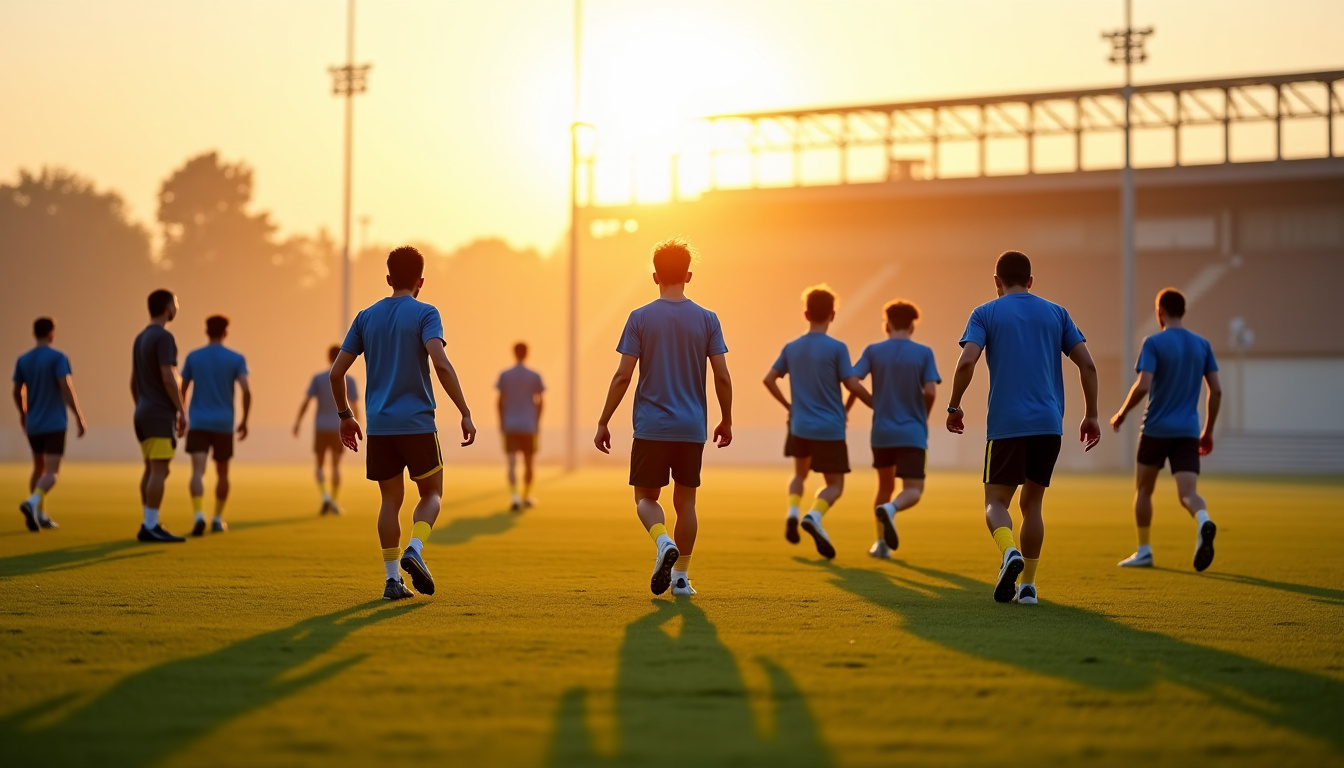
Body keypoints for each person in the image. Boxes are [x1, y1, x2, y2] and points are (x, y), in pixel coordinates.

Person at [946, 251, 1100, 605]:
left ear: (996, 282)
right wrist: (1091, 414)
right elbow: (1088, 366)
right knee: (1033, 504)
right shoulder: (1057, 313)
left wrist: (955, 406)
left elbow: (967, 360)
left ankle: (1008, 551)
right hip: (1049, 425)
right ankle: (1028, 586)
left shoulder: (985, 313)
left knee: (996, 501)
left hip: (1006, 424)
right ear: (1031, 281)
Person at [329, 246, 477, 601]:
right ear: (420, 281)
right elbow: (440, 363)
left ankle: (392, 580)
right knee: (432, 493)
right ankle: (415, 547)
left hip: (380, 426)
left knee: (390, 501)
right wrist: (464, 411)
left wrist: (346, 416)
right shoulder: (426, 313)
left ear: (388, 278)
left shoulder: (365, 317)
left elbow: (336, 374)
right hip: (417, 424)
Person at [595, 238, 733, 597]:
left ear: (655, 276)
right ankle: (682, 578)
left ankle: (661, 541)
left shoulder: (639, 318)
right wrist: (726, 419)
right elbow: (722, 375)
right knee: (685, 503)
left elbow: (623, 375)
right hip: (691, 428)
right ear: (688, 275)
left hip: (652, 426)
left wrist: (604, 420)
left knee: (646, 498)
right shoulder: (708, 319)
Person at [1110, 288, 1222, 571]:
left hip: (1156, 429)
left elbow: (1144, 385)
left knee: (1144, 491)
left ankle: (1144, 550)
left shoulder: (1153, 343)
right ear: (1183, 311)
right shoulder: (1202, 345)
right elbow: (1216, 391)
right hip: (1187, 431)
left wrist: (1122, 413)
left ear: (1160, 312)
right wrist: (1207, 431)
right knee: (1187, 493)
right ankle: (1203, 519)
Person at [763, 285, 872, 560]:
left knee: (800, 474)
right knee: (834, 485)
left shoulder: (791, 347)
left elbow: (769, 379)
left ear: (806, 313)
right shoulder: (837, 348)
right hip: (829, 428)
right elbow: (851, 384)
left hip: (799, 425)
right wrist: (876, 404)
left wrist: (789, 406)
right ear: (832, 315)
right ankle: (814, 515)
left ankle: (792, 512)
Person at [847, 299, 940, 558]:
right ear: (912, 326)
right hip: (912, 431)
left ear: (886, 325)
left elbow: (852, 381)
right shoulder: (923, 353)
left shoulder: (874, 351)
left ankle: (881, 545)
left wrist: (873, 403)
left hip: (882, 433)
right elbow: (930, 391)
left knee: (884, 487)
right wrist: (923, 415)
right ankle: (892, 509)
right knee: (912, 490)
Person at [13, 317, 87, 531]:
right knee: (52, 472)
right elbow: (66, 387)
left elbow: (17, 390)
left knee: (38, 467)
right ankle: (32, 503)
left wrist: (23, 412)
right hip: (54, 423)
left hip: (34, 423)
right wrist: (78, 416)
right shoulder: (58, 357)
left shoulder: (23, 360)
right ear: (51, 333)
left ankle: (39, 514)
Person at [181, 315, 251, 536]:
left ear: (206, 331)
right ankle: (218, 518)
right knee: (222, 473)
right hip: (223, 423)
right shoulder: (235, 358)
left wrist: (181, 414)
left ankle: (198, 514)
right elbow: (246, 390)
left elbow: (182, 389)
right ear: (225, 332)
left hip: (199, 421)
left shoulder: (193, 357)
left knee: (197, 472)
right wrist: (244, 420)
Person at [132, 289, 189, 543]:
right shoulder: (164, 337)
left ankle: (149, 522)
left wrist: (142, 405)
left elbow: (133, 382)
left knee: (151, 469)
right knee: (159, 470)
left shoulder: (140, 338)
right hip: (158, 414)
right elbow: (168, 377)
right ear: (168, 307)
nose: (177, 308)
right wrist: (181, 410)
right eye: (176, 303)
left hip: (143, 412)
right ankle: (150, 525)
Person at [294, 345, 360, 515]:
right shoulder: (349, 379)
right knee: (336, 465)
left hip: (321, 427)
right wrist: (357, 423)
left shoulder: (319, 378)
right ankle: (333, 500)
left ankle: (324, 496)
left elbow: (306, 401)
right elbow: (354, 405)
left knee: (319, 464)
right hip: (339, 426)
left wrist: (298, 422)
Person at [497, 342, 545, 511]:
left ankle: (514, 496)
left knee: (511, 464)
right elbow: (540, 401)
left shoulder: (505, 375)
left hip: (510, 424)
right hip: (528, 425)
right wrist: (537, 422)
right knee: (529, 463)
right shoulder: (534, 376)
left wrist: (501, 422)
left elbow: (500, 401)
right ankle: (525, 496)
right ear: (527, 353)